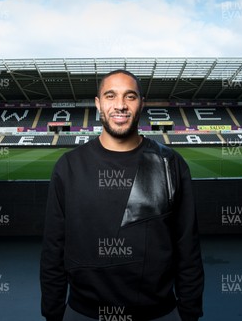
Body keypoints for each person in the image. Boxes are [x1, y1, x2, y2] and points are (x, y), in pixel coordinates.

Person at [40, 69, 204, 321]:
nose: (120, 105)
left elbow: (187, 246)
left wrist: (190, 312)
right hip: (84, 312)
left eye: (130, 97)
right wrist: (52, 312)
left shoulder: (170, 163)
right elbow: (54, 247)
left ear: (141, 103)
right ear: (98, 104)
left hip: (158, 312)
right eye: (110, 96)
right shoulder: (68, 166)